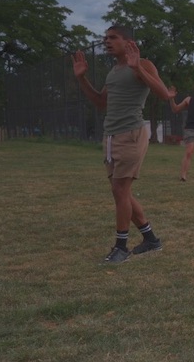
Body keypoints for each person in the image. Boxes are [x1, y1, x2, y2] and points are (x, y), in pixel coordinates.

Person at [72, 25, 175, 263]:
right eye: (105, 37)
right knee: (120, 191)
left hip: (131, 134)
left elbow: (163, 94)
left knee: (120, 190)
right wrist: (82, 78)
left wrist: (138, 67)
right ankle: (151, 240)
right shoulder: (114, 71)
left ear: (128, 41)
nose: (107, 41)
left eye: (112, 38)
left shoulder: (143, 64)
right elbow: (100, 102)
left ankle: (121, 247)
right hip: (111, 136)